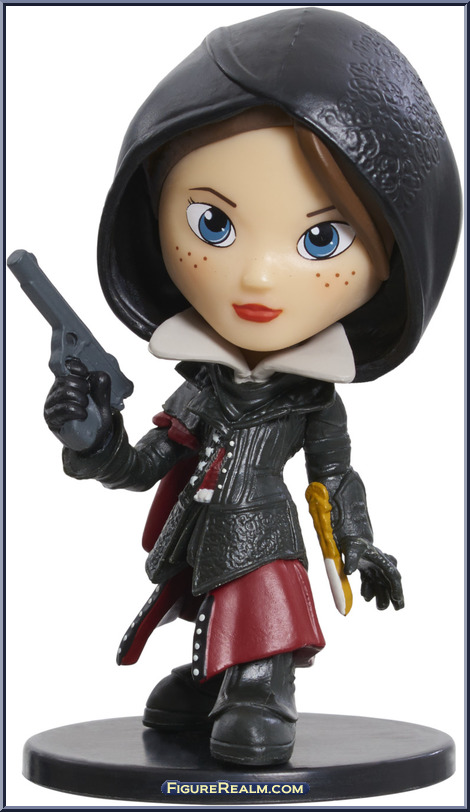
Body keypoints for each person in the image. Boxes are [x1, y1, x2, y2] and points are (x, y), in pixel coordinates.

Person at [42, 7, 461, 766]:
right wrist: (95, 438)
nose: (260, 276)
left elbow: (333, 477)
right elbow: (144, 466)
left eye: (321, 239)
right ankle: (218, 679)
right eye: (213, 225)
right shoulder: (200, 387)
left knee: (260, 605)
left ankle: (261, 687)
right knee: (207, 601)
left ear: (392, 258)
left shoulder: (311, 398)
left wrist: (358, 544)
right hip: (202, 534)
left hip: (265, 537)